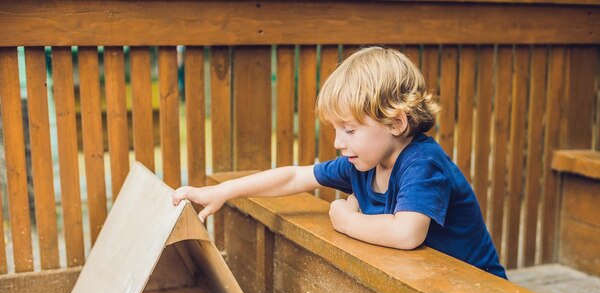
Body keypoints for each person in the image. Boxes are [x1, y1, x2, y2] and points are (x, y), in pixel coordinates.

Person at [172, 46, 507, 279]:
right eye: (336, 129)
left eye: (350, 129)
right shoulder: (362, 162)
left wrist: (344, 220)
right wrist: (223, 192)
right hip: (433, 283)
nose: (338, 142)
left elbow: (406, 234)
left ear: (396, 123)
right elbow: (294, 177)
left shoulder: (422, 162)